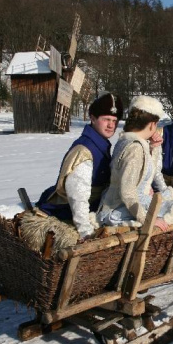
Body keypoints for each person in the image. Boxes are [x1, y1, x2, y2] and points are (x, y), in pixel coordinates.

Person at [97, 96, 173, 231]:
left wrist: (153, 148)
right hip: (121, 209)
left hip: (134, 202)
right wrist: (148, 219)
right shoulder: (135, 148)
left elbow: (143, 173)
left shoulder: (129, 140)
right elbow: (127, 193)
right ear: (151, 124)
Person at [36, 92, 122, 239]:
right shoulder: (84, 151)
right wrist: (86, 232)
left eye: (114, 120)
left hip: (92, 207)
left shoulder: (100, 145)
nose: (111, 125)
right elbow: (78, 197)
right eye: (106, 119)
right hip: (66, 211)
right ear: (93, 118)